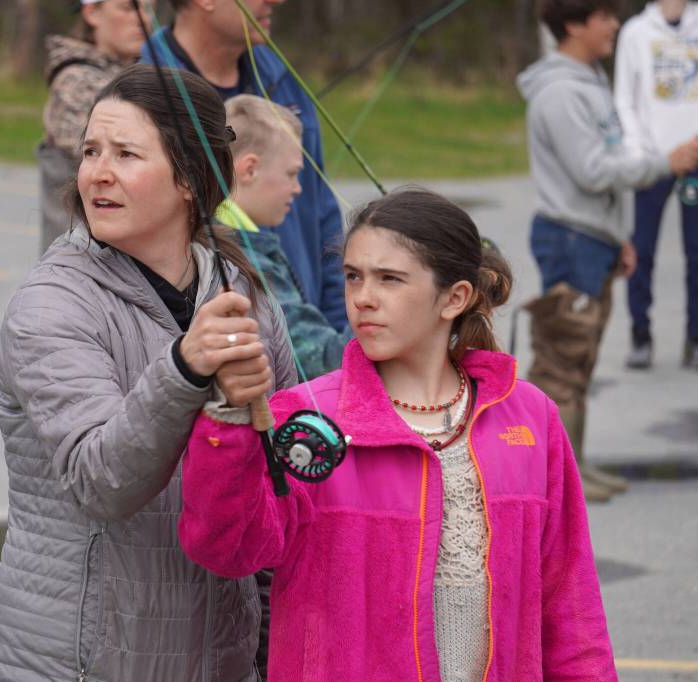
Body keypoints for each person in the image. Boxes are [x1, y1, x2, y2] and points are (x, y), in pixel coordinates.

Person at [176, 187, 617, 680]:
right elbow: (228, 548)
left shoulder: (530, 418)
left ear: (455, 298)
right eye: (353, 277)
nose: (363, 298)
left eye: (390, 279)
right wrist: (227, 422)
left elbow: (570, 606)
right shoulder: (303, 417)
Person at [0, 64, 295, 681]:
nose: (98, 171)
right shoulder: (51, 304)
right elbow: (101, 482)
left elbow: (280, 488)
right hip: (73, 664)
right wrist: (183, 367)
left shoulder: (244, 297)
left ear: (188, 177)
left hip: (219, 662)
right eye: (91, 150)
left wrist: (271, 648)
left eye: (126, 153)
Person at [516, 0, 698, 502]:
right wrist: (666, 163)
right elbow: (594, 170)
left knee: (583, 360)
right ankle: (551, 482)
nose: (616, 26)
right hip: (570, 239)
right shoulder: (559, 92)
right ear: (575, 24)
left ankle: (573, 470)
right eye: (606, 17)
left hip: (593, 238)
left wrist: (618, 235)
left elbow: (605, 163)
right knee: (561, 362)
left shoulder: (590, 80)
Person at [140, 0, 349, 332]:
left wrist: (340, 335)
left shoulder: (284, 82)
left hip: (306, 345)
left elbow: (322, 214)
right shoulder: (143, 96)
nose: (277, 1)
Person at [614, 0, 698, 371]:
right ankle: (640, 335)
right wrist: (640, 152)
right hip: (653, 159)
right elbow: (624, 98)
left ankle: (697, 339)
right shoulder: (635, 32)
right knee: (642, 248)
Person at [218, 94, 352, 379]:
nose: (298, 188)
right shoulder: (243, 259)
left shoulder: (227, 238)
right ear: (249, 169)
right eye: (292, 174)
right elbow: (320, 361)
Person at [38, 0, 151, 254]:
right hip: (79, 263)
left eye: (147, 7)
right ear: (92, 14)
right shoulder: (75, 82)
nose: (142, 19)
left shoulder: (141, 74)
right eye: (128, 8)